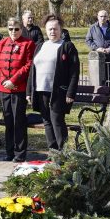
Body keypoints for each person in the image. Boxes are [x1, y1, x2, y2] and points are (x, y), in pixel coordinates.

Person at [27, 16, 80, 152]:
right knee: (47, 122)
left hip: (58, 92)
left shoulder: (67, 46)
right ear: (46, 30)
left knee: (57, 121)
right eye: (50, 29)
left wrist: (70, 92)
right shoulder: (40, 46)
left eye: (55, 29)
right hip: (40, 90)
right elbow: (32, 70)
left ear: (60, 29)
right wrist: (29, 91)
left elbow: (74, 72)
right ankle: (53, 152)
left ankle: (64, 153)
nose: (52, 32)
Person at [0, 18, 35, 163]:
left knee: (19, 122)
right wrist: (4, 81)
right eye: (10, 29)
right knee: (8, 121)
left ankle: (20, 153)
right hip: (4, 89)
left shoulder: (28, 44)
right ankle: (9, 152)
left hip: (19, 89)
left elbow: (28, 65)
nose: (13, 32)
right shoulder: (1, 43)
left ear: (21, 30)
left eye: (16, 29)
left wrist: (13, 80)